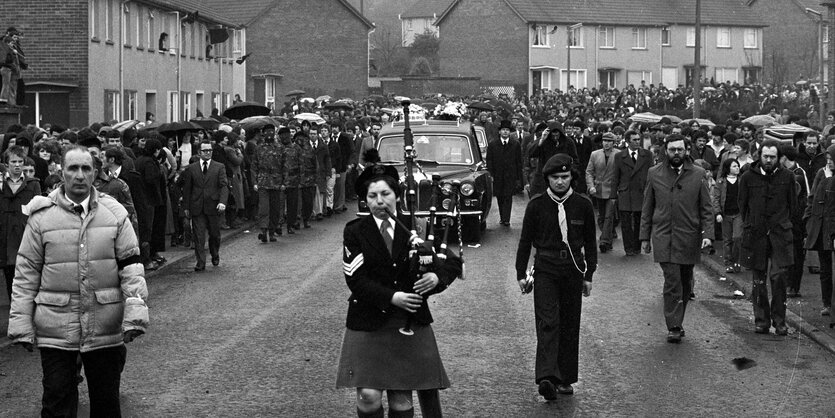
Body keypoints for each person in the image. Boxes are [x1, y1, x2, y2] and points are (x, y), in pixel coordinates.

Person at [8, 145, 148, 417]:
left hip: (105, 325)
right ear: (62, 172)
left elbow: (131, 268)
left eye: (86, 168)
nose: (80, 175)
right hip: (56, 328)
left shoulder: (115, 214)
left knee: (107, 405)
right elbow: (26, 274)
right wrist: (20, 323)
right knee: (57, 402)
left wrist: (135, 314)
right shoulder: (41, 217)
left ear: (95, 173)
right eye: (73, 168)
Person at [335, 160, 461, 418]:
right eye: (372, 196)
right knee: (368, 396)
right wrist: (393, 297)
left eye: (385, 194)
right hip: (369, 320)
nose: (379, 201)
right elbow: (355, 280)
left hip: (409, 321)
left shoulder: (418, 228)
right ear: (365, 201)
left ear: (397, 196)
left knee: (401, 399)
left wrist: (437, 279)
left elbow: (451, 262)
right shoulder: (355, 232)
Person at [515, 153, 596, 398]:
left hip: (573, 269)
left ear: (572, 177)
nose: (560, 182)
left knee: (570, 323)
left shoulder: (583, 205)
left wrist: (589, 275)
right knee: (548, 321)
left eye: (565, 177)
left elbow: (590, 244)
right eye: (555, 177)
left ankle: (565, 379)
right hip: (546, 269)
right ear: (547, 179)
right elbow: (525, 241)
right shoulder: (537, 205)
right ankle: (547, 377)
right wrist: (520, 272)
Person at [639, 134, 714, 343]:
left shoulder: (698, 174)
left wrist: (708, 235)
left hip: (688, 236)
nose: (676, 154)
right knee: (672, 280)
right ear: (666, 150)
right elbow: (647, 207)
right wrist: (644, 237)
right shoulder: (654, 174)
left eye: (680, 149)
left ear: (687, 150)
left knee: (685, 280)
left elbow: (707, 208)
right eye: (672, 150)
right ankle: (673, 325)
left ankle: (677, 320)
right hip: (663, 235)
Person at [739, 139, 798, 335]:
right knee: (758, 280)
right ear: (759, 156)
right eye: (765, 156)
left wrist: (783, 223)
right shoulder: (748, 177)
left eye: (773, 157)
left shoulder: (788, 177)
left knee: (779, 277)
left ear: (779, 158)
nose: (769, 160)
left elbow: (793, 206)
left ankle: (780, 321)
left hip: (780, 234)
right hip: (756, 234)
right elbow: (743, 205)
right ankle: (761, 320)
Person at [182, 140, 229, 271]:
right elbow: (187, 189)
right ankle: (200, 262)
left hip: (214, 206)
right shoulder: (192, 168)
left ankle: (215, 253)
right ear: (199, 152)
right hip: (197, 207)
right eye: (204, 151)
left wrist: (222, 202)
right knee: (199, 236)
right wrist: (186, 207)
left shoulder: (219, 167)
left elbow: (224, 186)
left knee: (214, 235)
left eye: (209, 150)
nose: (207, 153)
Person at [1, 145, 40, 298]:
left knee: (26, 277)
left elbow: (37, 210)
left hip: (25, 234)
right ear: (6, 164)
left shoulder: (33, 184)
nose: (17, 165)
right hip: (4, 234)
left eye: (20, 161)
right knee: (8, 275)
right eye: (13, 162)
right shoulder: (1, 184)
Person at [803, 145, 835, 315]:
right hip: (821, 226)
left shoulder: (829, 176)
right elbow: (812, 197)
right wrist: (808, 221)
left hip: (833, 227)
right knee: (825, 268)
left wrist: (830, 180)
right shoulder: (821, 174)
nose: (829, 163)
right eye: (827, 159)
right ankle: (826, 303)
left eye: (832, 159)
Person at [612, 130, 652, 256]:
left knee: (639, 221)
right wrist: (613, 195)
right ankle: (628, 248)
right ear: (628, 141)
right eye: (634, 139)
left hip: (641, 192)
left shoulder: (647, 155)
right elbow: (615, 177)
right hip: (625, 192)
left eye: (638, 139)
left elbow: (651, 174)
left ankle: (637, 247)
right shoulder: (619, 156)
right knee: (626, 223)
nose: (637, 142)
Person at [781, 145, 809, 298]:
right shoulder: (782, 172)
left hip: (797, 221)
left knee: (796, 255)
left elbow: (805, 197)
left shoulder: (798, 173)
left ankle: (793, 287)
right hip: (784, 220)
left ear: (784, 157)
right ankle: (786, 284)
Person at [486, 119, 523, 226]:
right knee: (500, 196)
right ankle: (503, 216)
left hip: (510, 176)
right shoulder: (493, 145)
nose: (505, 132)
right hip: (498, 175)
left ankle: (506, 219)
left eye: (507, 130)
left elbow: (518, 161)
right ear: (499, 132)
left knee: (508, 196)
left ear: (509, 132)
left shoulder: (515, 144)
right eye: (503, 130)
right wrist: (491, 174)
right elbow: (490, 160)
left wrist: (518, 177)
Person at [585, 132, 618, 253]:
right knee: (602, 216)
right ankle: (608, 237)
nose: (606, 143)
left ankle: (604, 241)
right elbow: (589, 172)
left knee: (609, 215)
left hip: (613, 189)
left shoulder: (618, 154)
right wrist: (591, 186)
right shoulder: (595, 154)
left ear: (614, 143)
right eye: (604, 141)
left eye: (609, 141)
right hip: (598, 189)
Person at [253, 126, 286, 242]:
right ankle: (263, 231)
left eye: (271, 131)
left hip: (276, 182)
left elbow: (284, 166)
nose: (269, 134)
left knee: (275, 209)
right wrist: (254, 182)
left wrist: (284, 182)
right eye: (267, 132)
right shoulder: (259, 148)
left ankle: (272, 231)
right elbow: (254, 166)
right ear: (263, 133)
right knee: (264, 208)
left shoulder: (280, 148)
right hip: (263, 182)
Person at [713, 158, 743, 273]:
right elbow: (716, 199)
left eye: (737, 166)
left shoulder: (741, 181)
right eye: (734, 166)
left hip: (738, 214)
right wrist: (718, 213)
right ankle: (728, 263)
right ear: (728, 168)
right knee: (727, 240)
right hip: (725, 214)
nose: (737, 168)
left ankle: (736, 261)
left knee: (737, 237)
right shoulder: (720, 182)